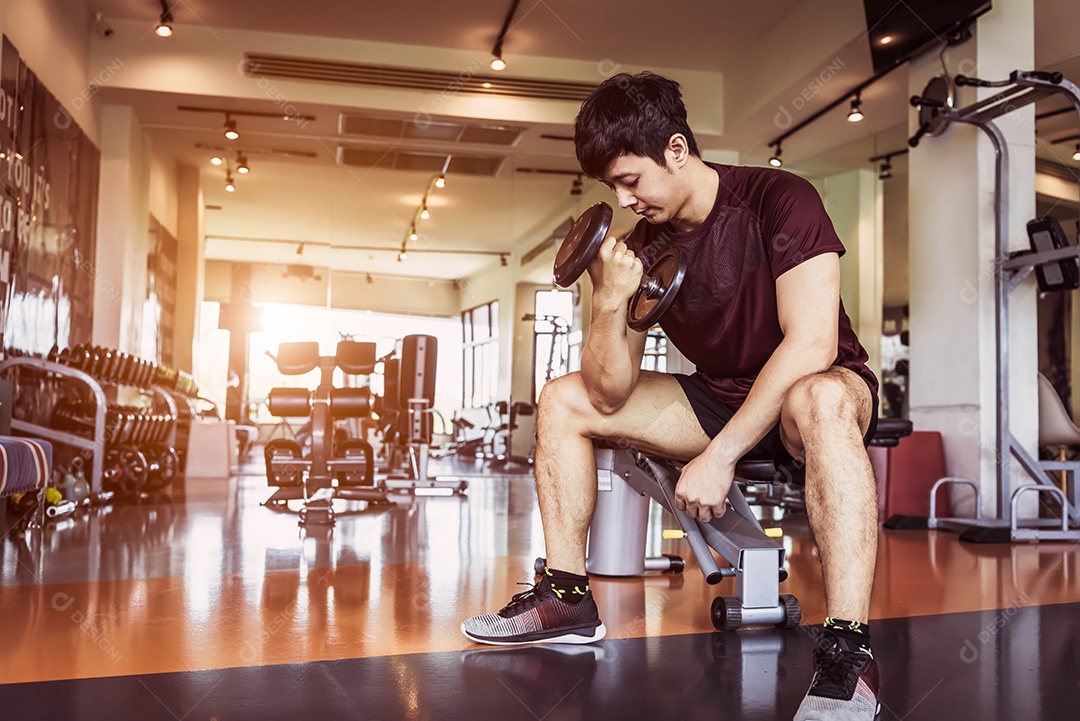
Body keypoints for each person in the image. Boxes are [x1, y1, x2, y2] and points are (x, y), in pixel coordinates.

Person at [461, 72, 881, 721]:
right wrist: (608, 299)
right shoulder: (643, 246)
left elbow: (812, 344)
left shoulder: (779, 198)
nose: (626, 199)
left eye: (632, 179)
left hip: (811, 392)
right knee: (564, 397)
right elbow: (608, 392)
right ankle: (567, 597)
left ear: (677, 150)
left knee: (821, 398)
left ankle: (849, 651)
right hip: (716, 395)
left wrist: (721, 455)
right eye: (614, 188)